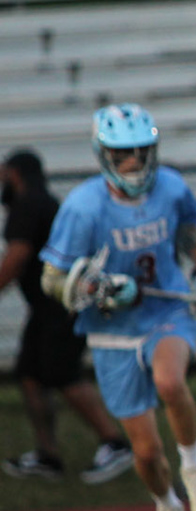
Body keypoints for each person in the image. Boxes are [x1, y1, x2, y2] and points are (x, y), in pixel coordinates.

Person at [38, 105, 196, 511]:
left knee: (169, 382)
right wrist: (101, 289)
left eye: (141, 152)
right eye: (123, 154)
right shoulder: (83, 207)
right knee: (145, 453)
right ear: (103, 154)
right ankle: (166, 503)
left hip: (166, 312)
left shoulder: (172, 188)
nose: (134, 162)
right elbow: (52, 279)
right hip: (112, 330)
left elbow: (191, 236)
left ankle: (193, 465)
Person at [1, 150, 134, 483]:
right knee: (30, 374)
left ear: (14, 174)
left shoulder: (27, 205)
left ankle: (115, 443)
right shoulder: (45, 202)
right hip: (46, 307)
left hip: (63, 304)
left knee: (62, 373)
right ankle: (47, 455)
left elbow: (17, 257)